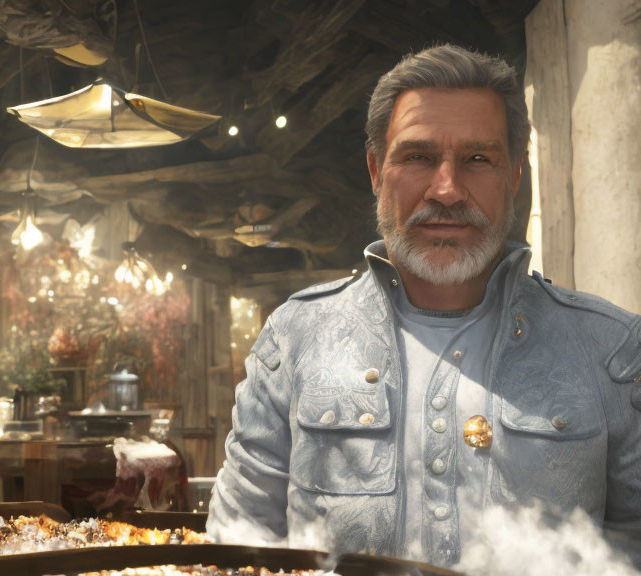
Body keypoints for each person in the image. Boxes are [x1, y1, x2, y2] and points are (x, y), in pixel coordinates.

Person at [207, 44, 641, 567]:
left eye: (478, 159)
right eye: (417, 157)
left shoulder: (612, 351)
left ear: (515, 177)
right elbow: (234, 549)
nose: (448, 188)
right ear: (375, 171)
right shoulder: (295, 339)